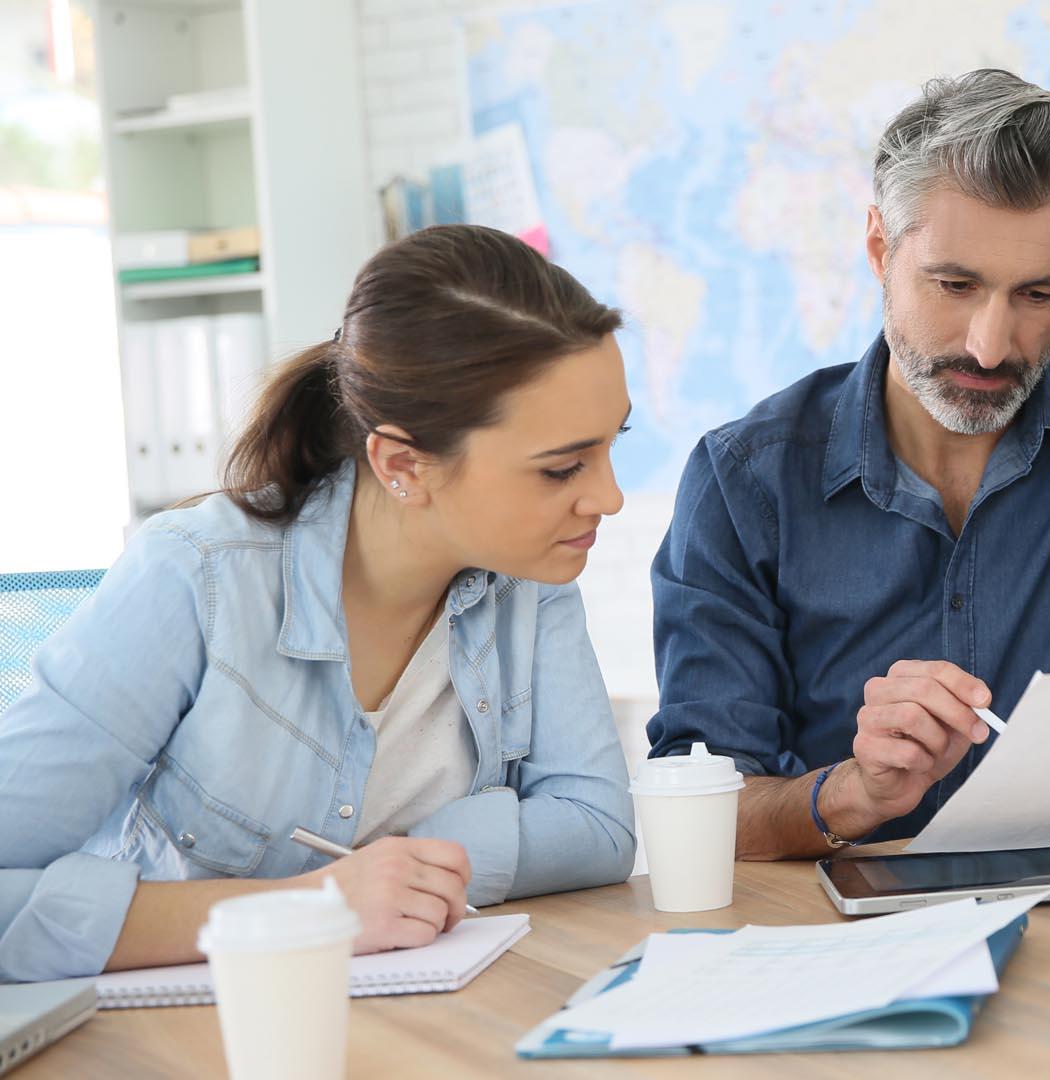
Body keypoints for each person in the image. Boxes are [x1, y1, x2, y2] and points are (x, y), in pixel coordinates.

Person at [649, 69, 1050, 861]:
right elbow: (703, 812)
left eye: (1037, 296)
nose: (991, 347)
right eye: (955, 285)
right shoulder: (744, 479)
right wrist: (852, 792)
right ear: (878, 248)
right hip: (837, 940)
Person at [0, 225, 637, 982]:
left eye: (610, 448)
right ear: (403, 464)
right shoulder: (194, 577)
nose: (609, 497)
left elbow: (597, 826)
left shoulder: (527, 576)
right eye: (563, 468)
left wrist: (407, 866)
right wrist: (313, 908)